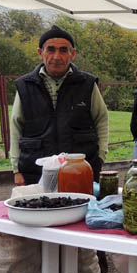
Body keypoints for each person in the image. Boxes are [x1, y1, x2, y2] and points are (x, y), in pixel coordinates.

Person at [10, 25, 108, 186]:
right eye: (50, 50)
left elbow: (101, 119)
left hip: (80, 168)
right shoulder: (25, 85)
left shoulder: (87, 83)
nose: (57, 56)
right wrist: (16, 169)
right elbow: (16, 126)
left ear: (72, 54)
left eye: (63, 50)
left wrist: (100, 157)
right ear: (40, 53)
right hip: (36, 170)